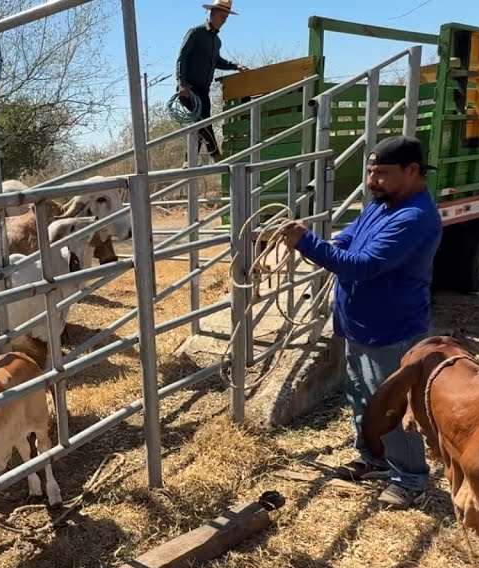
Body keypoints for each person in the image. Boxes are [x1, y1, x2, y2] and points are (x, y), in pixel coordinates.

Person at [278, 136, 443, 510]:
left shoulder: (414, 217)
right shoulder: (383, 205)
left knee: (392, 408)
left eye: (381, 173)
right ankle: (375, 460)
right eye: (370, 171)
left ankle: (410, 479)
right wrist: (331, 244)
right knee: (362, 396)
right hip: (361, 323)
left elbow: (364, 266)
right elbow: (351, 237)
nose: (372, 180)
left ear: (412, 170)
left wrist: (307, 243)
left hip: (392, 329)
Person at [175, 0, 249, 163]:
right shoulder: (195, 33)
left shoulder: (217, 41)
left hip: (203, 90)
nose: (224, 21)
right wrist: (182, 83)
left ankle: (189, 161)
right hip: (189, 88)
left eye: (226, 18)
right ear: (213, 13)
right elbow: (182, 58)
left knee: (201, 122)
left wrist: (235, 66)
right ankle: (215, 154)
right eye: (222, 17)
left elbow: (217, 61)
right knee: (203, 121)